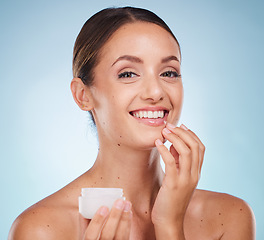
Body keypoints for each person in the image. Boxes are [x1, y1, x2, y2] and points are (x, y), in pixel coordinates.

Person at [8, 6, 255, 240]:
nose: (156, 91)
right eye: (128, 74)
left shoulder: (230, 218)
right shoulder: (41, 229)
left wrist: (169, 225)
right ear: (83, 95)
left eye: (169, 72)